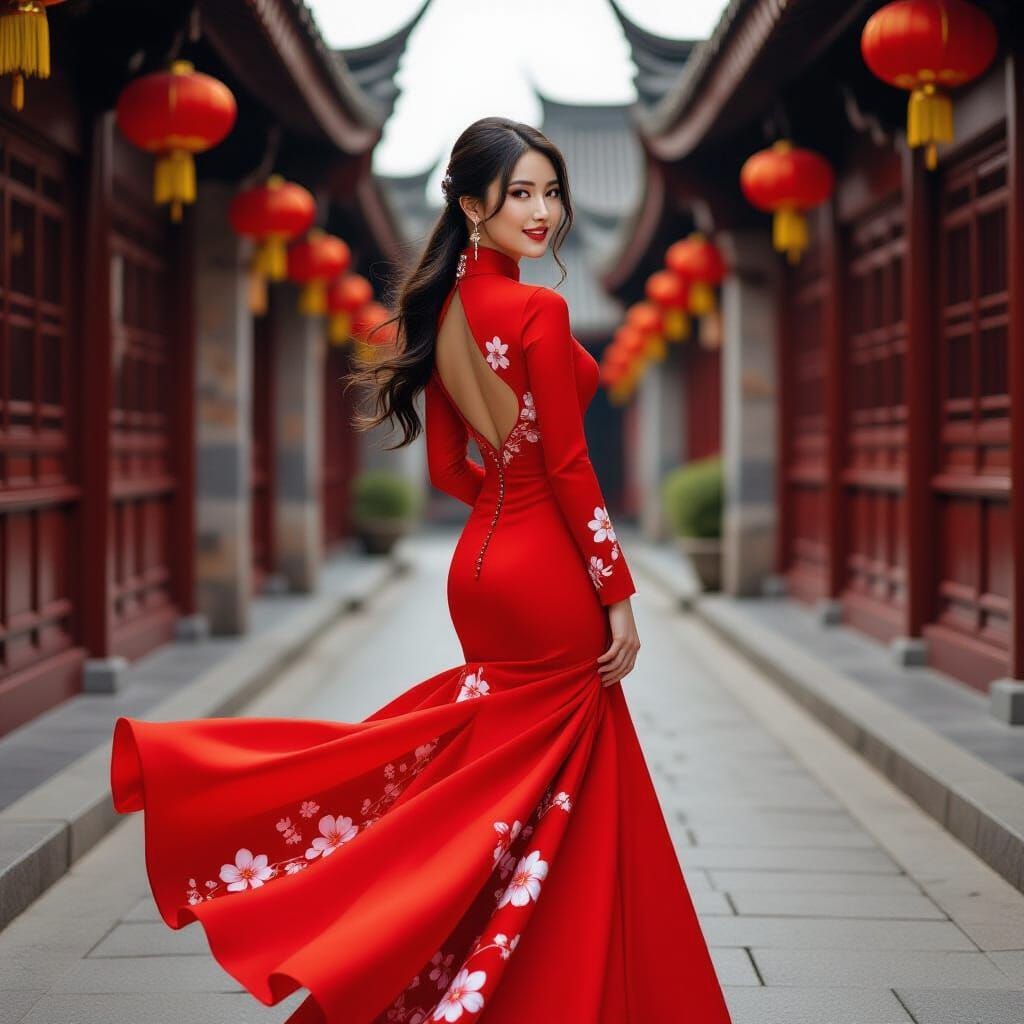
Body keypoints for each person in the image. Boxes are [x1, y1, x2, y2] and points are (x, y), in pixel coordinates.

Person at [109, 116, 733, 1024]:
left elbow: (447, 469)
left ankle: (475, 962)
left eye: (552, 192)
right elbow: (567, 465)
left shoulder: (437, 314)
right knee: (566, 775)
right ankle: (548, 984)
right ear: (472, 206)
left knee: (501, 772)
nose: (544, 212)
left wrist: (504, 505)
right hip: (543, 571)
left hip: (480, 566)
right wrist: (616, 591)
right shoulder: (539, 312)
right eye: (521, 193)